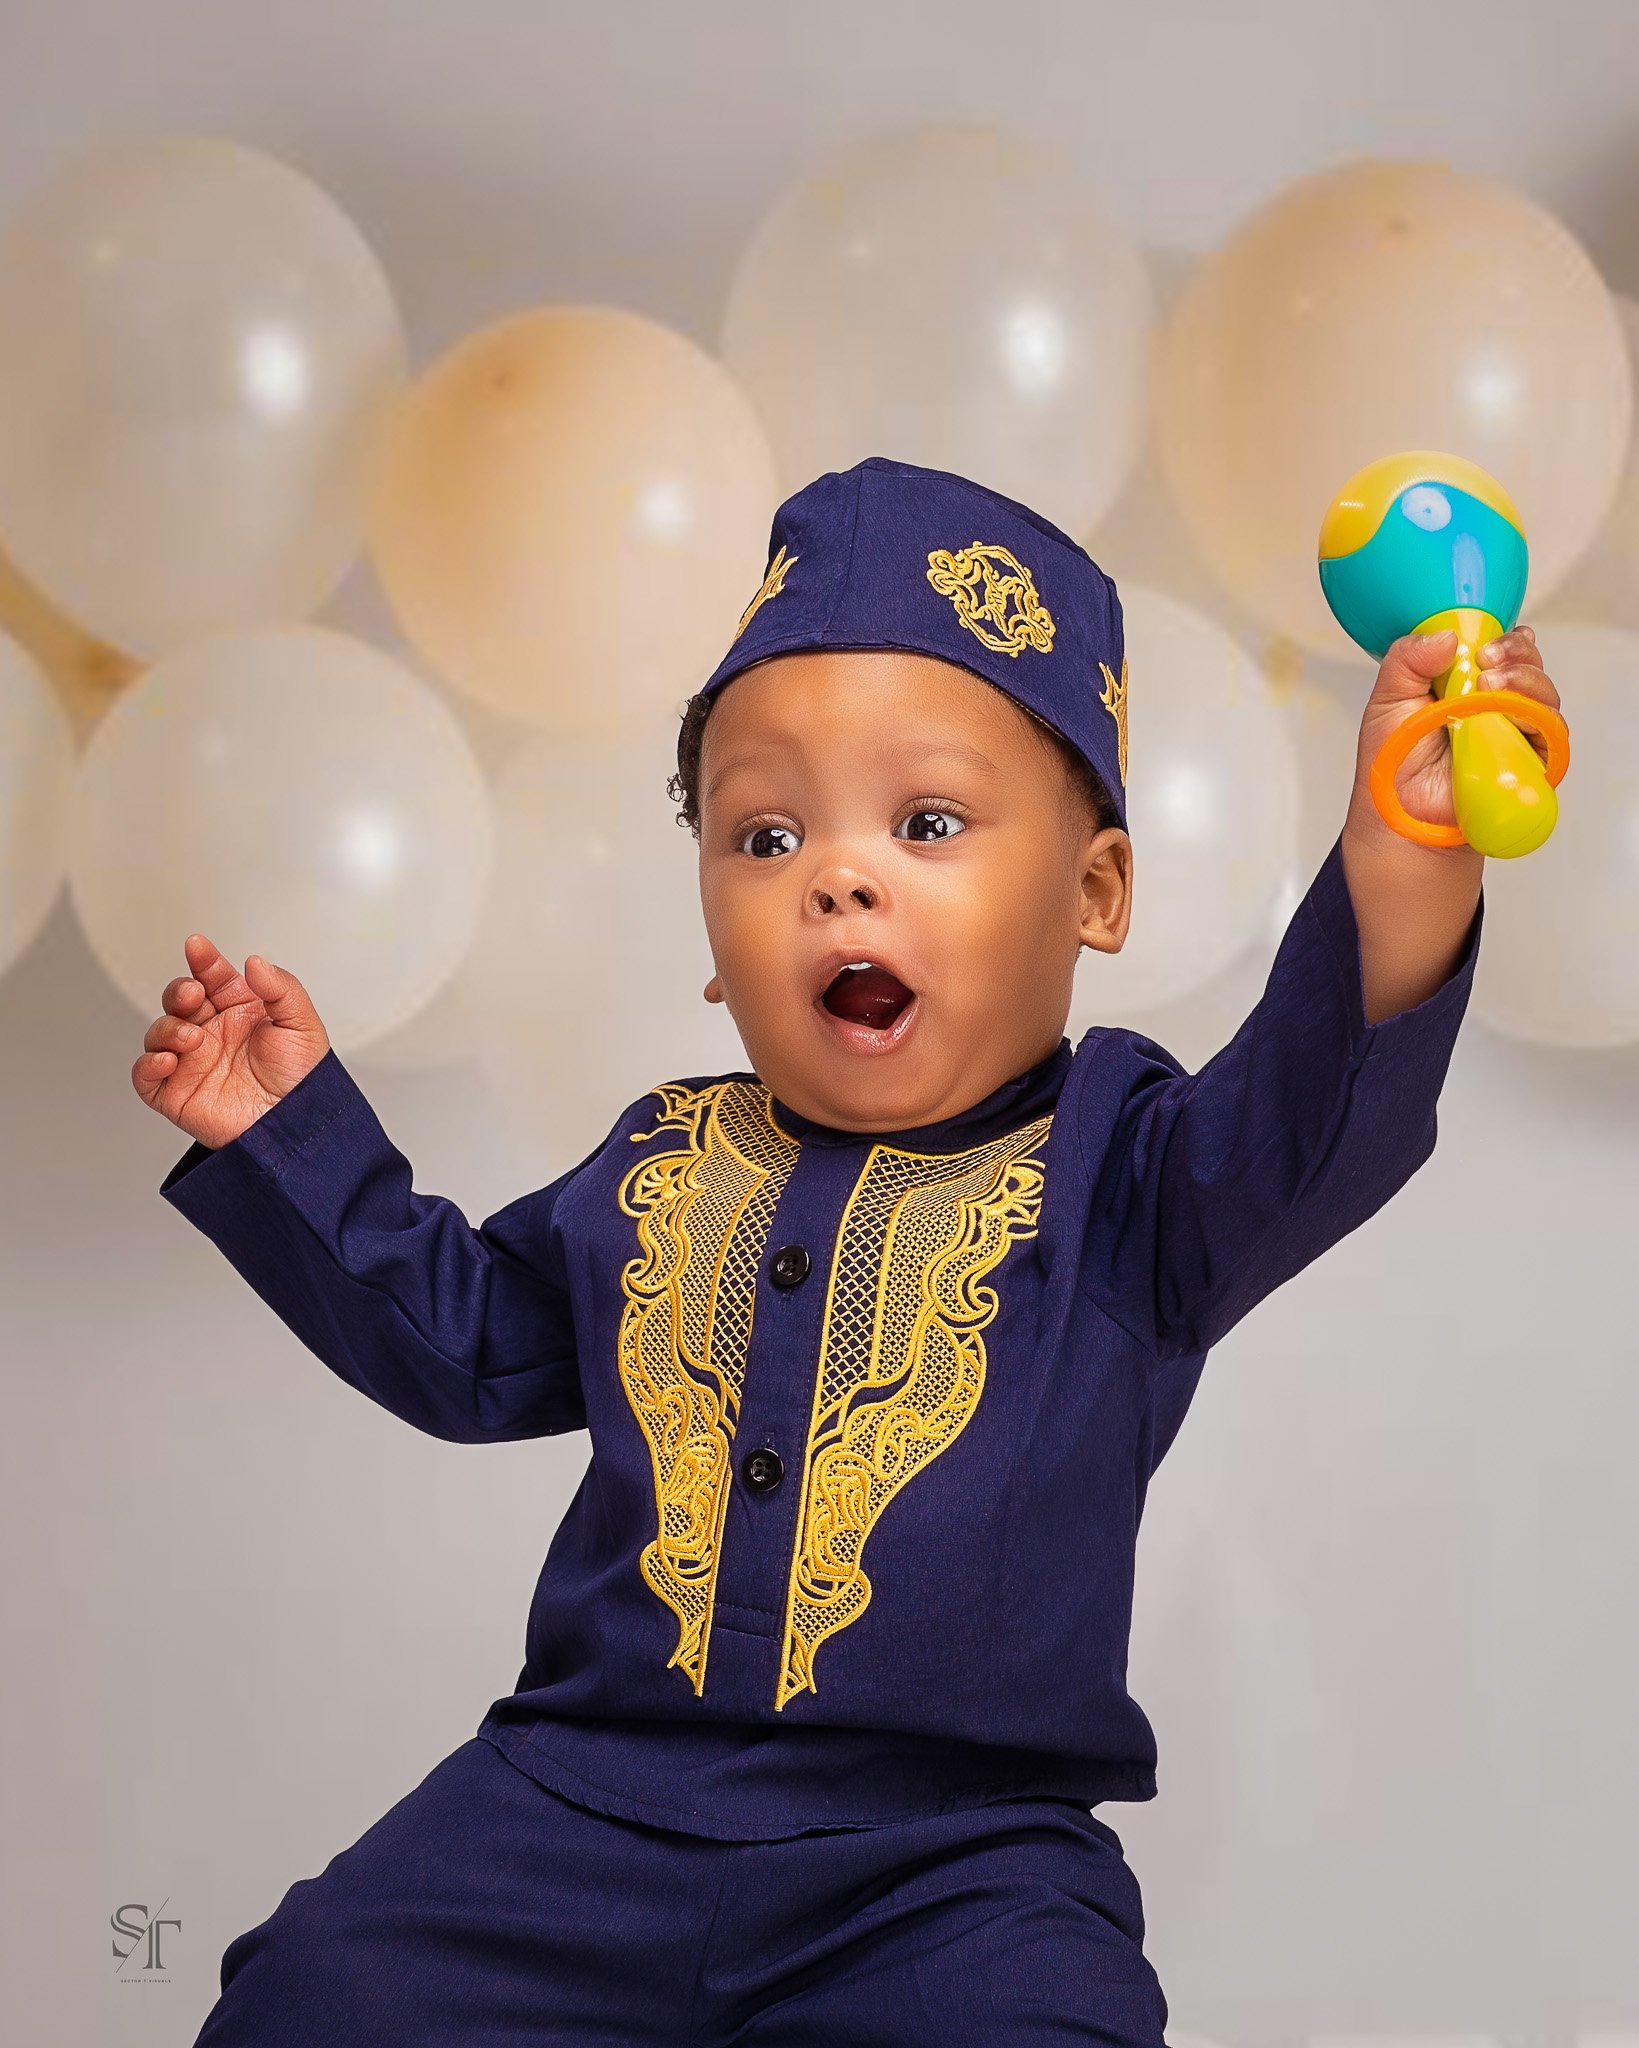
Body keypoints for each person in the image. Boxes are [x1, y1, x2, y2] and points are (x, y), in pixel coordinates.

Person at [136, 455, 1561, 2045]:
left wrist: (1419, 838)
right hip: (574, 1815)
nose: (837, 873)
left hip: (951, 1866)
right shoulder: (663, 1165)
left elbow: (1318, 1096)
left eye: (929, 820)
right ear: (707, 933)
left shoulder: (1128, 1173)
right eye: (763, 836)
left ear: (1095, 893)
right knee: (317, 1996)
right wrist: (283, 1133)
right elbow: (469, 1343)